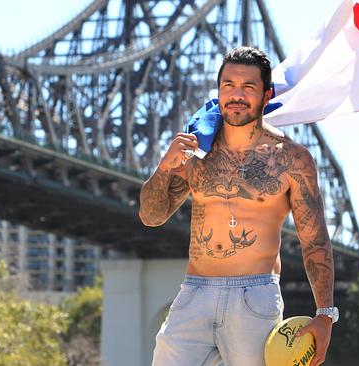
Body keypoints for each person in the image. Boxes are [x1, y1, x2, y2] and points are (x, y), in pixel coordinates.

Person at [139, 46, 336, 366]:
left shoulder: (292, 159)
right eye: (228, 85)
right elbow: (151, 215)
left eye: (248, 87)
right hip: (194, 292)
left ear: (267, 93)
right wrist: (163, 169)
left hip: (254, 298)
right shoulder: (197, 150)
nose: (236, 95)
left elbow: (314, 239)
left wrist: (325, 314)